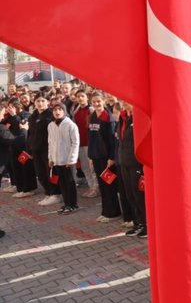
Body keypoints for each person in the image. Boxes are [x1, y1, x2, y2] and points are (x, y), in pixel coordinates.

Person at [87, 93, 120, 222]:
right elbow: (91, 138)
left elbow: (112, 140)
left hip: (107, 158)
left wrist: (111, 158)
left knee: (109, 185)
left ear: (104, 101)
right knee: (102, 186)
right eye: (94, 102)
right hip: (96, 157)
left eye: (98, 101)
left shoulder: (108, 118)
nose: (96, 104)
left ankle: (113, 212)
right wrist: (90, 155)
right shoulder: (93, 117)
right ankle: (106, 211)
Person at [116, 102, 147, 238]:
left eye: (126, 101)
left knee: (139, 195)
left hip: (136, 163)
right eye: (122, 101)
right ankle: (137, 223)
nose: (124, 104)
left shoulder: (139, 118)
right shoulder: (123, 118)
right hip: (124, 162)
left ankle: (146, 224)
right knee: (130, 195)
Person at [47, 102, 79, 215]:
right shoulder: (51, 125)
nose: (57, 112)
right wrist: (50, 158)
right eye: (55, 110)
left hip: (67, 160)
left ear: (64, 111)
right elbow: (50, 143)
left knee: (70, 182)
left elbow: (75, 143)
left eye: (60, 109)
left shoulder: (70, 125)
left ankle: (73, 204)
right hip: (57, 160)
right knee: (62, 183)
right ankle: (66, 204)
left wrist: (71, 159)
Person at [28, 96, 60, 206]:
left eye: (43, 101)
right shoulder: (32, 116)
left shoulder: (51, 115)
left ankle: (55, 194)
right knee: (40, 173)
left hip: (47, 149)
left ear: (47, 102)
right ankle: (48, 192)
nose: (40, 103)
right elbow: (30, 134)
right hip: (35, 150)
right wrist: (30, 149)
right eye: (38, 101)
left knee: (50, 173)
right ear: (34, 103)